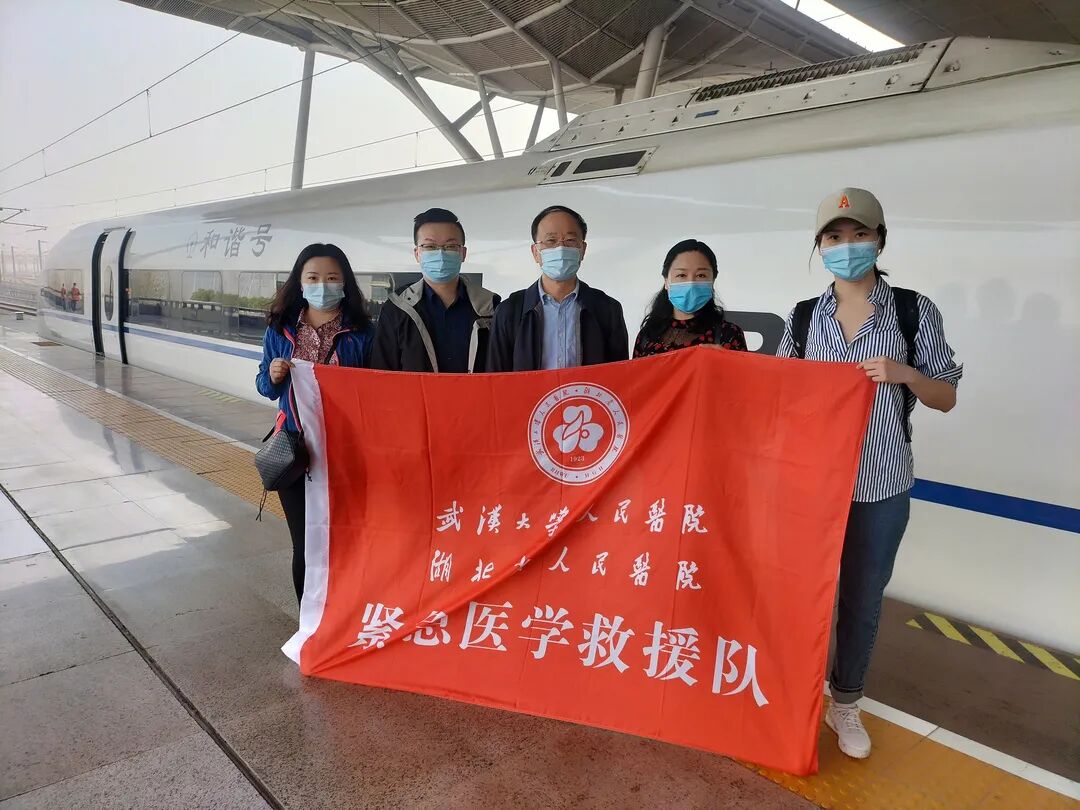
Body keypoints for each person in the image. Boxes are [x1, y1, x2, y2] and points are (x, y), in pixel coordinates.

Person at [777, 188, 962, 759]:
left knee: (862, 600)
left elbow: (946, 397)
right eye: (834, 237)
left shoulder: (912, 310)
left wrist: (906, 374)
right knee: (799, 594)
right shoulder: (804, 317)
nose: (847, 246)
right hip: (812, 485)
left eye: (860, 234)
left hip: (881, 486)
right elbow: (779, 396)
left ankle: (846, 702)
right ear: (819, 246)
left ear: (880, 240)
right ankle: (793, 697)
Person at [255, 243, 374, 604]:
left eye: (332, 277)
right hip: (295, 451)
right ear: (300, 282)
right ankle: (310, 621)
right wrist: (274, 375)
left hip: (346, 452)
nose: (323, 285)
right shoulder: (281, 329)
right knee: (306, 544)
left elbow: (377, 390)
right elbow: (264, 386)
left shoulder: (363, 332)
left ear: (345, 283)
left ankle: (343, 615)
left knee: (345, 539)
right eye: (313, 277)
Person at [487, 204, 628, 371]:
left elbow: (619, 376)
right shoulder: (510, 311)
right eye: (551, 241)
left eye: (570, 240)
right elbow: (496, 378)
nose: (561, 248)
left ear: (582, 250)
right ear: (535, 252)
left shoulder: (608, 309)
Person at [370, 207, 500, 373]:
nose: (440, 254)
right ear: (417, 254)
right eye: (430, 246)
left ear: (463, 253)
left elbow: (501, 369)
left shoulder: (490, 306)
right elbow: (382, 374)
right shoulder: (397, 308)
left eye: (450, 246)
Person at [633, 239, 748, 357]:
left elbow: (742, 369)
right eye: (681, 275)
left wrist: (726, 360)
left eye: (701, 275)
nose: (691, 283)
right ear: (666, 281)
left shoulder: (729, 334)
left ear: (713, 280)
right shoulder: (646, 335)